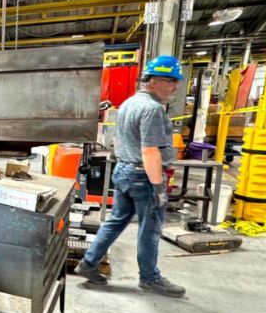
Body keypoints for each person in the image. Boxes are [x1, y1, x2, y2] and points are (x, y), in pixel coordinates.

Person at [75, 55, 186, 298]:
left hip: (124, 171)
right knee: (150, 228)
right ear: (153, 81)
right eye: (170, 81)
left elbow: (118, 140)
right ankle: (150, 278)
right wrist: (158, 187)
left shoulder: (128, 103)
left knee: (115, 221)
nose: (175, 86)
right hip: (143, 177)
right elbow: (149, 150)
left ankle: (89, 263)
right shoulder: (152, 109)